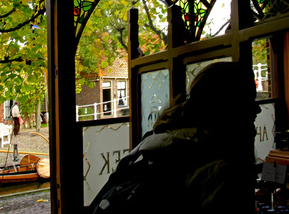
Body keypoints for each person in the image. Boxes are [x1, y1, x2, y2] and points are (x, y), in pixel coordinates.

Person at [91, 62, 260, 214]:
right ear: (228, 107)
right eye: (249, 100)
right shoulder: (223, 175)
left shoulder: (153, 145)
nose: (258, 109)